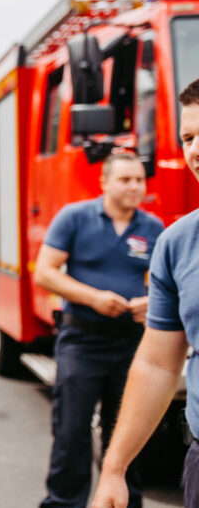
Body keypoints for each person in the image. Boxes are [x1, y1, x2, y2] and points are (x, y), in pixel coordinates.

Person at [92, 78, 199, 508]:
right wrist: (115, 468)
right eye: (189, 137)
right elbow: (157, 363)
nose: (195, 149)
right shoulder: (177, 243)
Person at [35, 152, 163, 508]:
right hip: (82, 339)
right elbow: (45, 272)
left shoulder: (153, 227)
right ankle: (63, 503)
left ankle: (125, 502)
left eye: (139, 179)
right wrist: (94, 299)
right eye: (125, 180)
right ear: (104, 182)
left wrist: (151, 302)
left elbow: (163, 283)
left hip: (132, 344)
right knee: (71, 432)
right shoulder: (74, 217)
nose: (135, 186)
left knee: (127, 433)